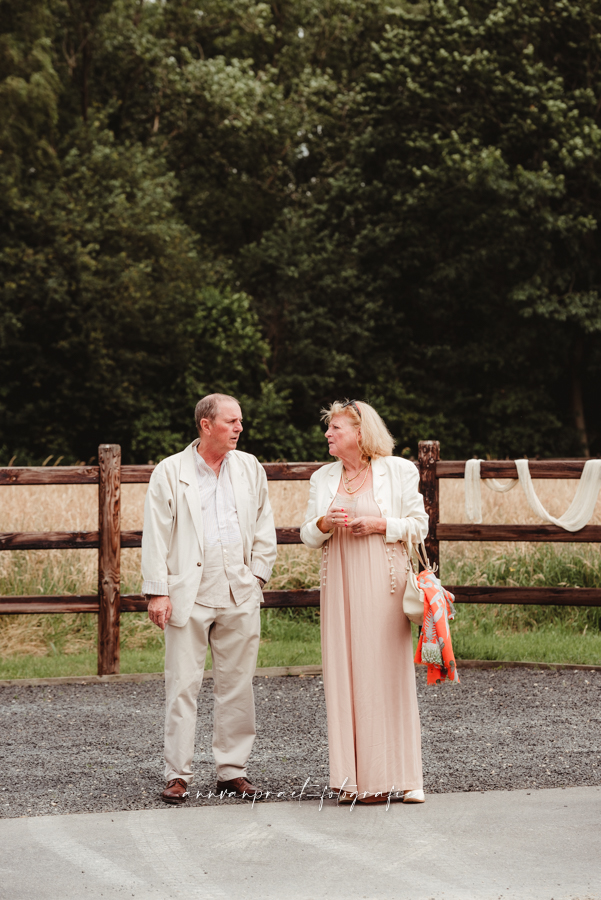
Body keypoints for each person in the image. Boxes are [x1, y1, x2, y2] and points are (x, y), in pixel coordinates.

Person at [141, 393, 277, 804]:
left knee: (237, 686)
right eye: (231, 421)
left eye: (240, 421)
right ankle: (177, 774)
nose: (239, 428)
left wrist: (257, 576)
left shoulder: (250, 467)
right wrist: (158, 592)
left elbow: (264, 526)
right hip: (189, 595)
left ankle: (232, 771)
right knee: (183, 686)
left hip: (239, 593)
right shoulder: (170, 471)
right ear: (206, 424)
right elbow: (156, 535)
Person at [300, 400, 429, 804]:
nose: (328, 434)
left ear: (360, 433)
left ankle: (403, 777)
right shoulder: (323, 477)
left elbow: (419, 526)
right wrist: (324, 523)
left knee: (385, 674)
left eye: (335, 428)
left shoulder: (399, 470)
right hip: (339, 583)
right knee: (344, 674)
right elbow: (306, 534)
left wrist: (379, 524)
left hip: (384, 583)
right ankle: (351, 779)